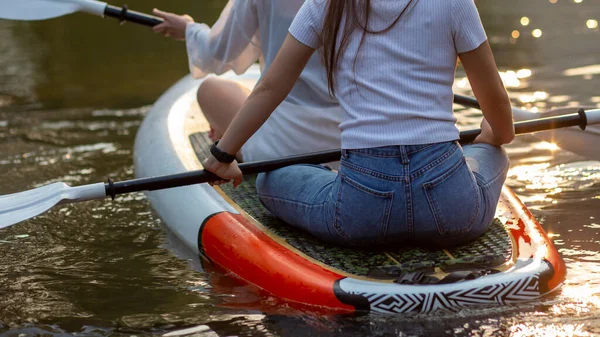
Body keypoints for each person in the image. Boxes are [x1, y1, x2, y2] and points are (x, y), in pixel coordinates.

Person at [203, 0, 515, 248]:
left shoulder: (324, 5)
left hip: (362, 211)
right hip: (452, 206)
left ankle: (328, 178)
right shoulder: (455, 3)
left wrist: (223, 156)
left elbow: (270, 88)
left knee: (269, 180)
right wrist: (494, 137)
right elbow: (496, 100)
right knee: (495, 153)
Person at [151, 1, 342, 162]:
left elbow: (218, 53)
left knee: (210, 90)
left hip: (283, 146)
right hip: (350, 141)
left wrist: (189, 29)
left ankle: (233, 138)